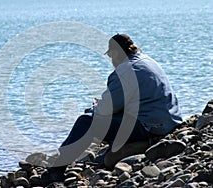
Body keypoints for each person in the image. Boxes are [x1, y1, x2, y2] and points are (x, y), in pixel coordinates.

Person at [41, 34, 183, 184]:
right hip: (170, 121)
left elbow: (105, 109)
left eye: (110, 54)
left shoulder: (125, 71)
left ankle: (57, 168)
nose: (110, 59)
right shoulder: (147, 61)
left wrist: (95, 108)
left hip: (149, 126)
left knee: (85, 121)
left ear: (115, 53)